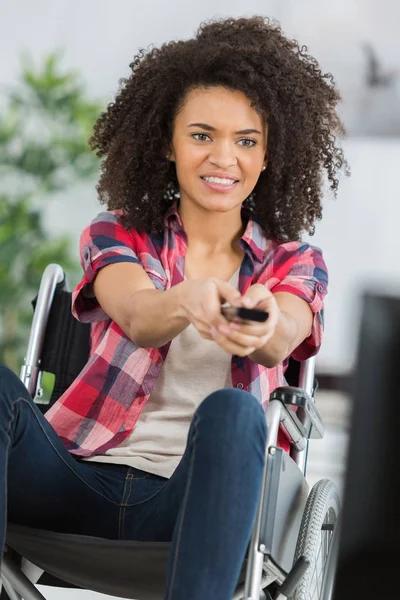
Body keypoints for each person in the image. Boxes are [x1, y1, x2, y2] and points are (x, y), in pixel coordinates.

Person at [0, 16, 346, 600]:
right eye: (202, 134)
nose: (223, 159)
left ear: (267, 156)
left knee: (235, 411)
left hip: (190, 504)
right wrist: (187, 299)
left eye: (246, 141)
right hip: (78, 479)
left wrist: (258, 321)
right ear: (168, 142)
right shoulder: (117, 233)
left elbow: (282, 333)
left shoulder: (294, 261)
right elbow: (136, 312)